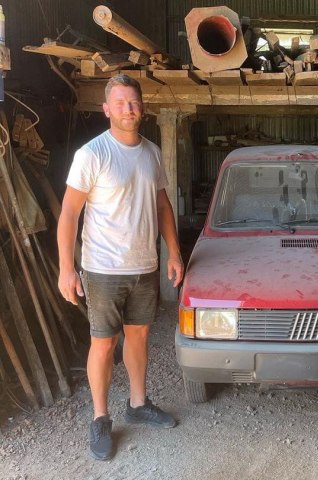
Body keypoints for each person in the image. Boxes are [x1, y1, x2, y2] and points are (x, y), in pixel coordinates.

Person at [57, 74, 184, 460]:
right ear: (107, 109)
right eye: (121, 102)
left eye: (134, 102)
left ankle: (138, 402)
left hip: (144, 266)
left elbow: (162, 206)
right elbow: (68, 215)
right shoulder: (92, 154)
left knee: (139, 337)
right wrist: (66, 268)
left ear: (141, 107)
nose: (128, 109)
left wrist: (174, 252)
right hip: (102, 269)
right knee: (103, 342)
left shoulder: (151, 153)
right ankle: (100, 418)